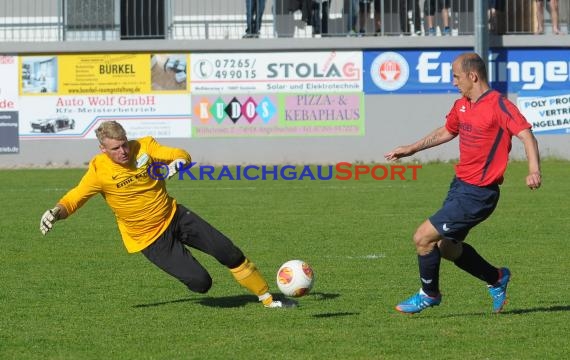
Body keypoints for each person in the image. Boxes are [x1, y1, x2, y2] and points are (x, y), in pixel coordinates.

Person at [39, 121, 290, 309]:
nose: (124, 151)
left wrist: (175, 165)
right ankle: (186, 263)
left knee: (228, 251)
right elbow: (74, 199)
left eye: (125, 144)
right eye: (116, 148)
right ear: (103, 149)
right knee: (201, 283)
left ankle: (268, 299)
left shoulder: (144, 147)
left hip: (174, 215)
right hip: (149, 238)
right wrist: (55, 212)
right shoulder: (98, 171)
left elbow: (182, 154)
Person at [384, 53, 542, 314]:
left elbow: (527, 136)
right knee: (446, 247)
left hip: (479, 194)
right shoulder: (462, 105)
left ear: (473, 76)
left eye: (456, 76)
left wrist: (534, 170)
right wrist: (411, 149)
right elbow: (447, 131)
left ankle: (429, 294)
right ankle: (497, 277)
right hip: (459, 186)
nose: (453, 82)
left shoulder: (498, 105)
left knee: (423, 238)